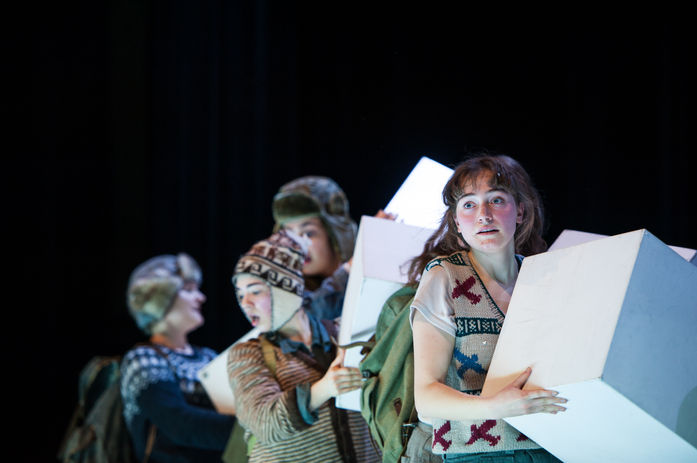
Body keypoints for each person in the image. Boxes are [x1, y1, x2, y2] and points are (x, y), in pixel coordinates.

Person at [407, 154, 567, 462]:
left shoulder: (543, 276)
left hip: (552, 448)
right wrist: (494, 407)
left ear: (520, 211)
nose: (484, 215)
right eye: (469, 204)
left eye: (496, 200)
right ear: (456, 221)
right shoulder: (444, 276)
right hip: (477, 454)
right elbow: (426, 397)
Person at [227, 230, 382, 463]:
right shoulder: (247, 355)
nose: (245, 303)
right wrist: (323, 389)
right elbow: (265, 423)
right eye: (240, 295)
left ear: (286, 289)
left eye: (255, 291)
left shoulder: (342, 333)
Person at [121, 253, 236, 463]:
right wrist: (251, 429)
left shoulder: (208, 357)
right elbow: (177, 423)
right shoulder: (143, 359)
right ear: (159, 299)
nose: (201, 297)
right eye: (189, 290)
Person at [271, 175, 395, 321]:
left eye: (308, 233)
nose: (297, 246)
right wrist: (353, 265)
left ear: (335, 235)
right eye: (289, 235)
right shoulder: (291, 295)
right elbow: (308, 318)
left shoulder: (378, 275)